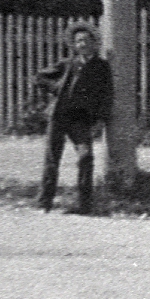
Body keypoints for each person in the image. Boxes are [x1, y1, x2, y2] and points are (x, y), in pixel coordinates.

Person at [36, 21, 113, 214]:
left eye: (87, 40)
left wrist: (100, 120)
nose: (83, 44)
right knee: (52, 159)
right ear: (74, 45)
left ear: (95, 43)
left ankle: (84, 206)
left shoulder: (102, 67)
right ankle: (45, 202)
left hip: (81, 120)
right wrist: (56, 88)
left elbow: (107, 95)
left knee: (86, 157)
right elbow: (39, 77)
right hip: (59, 117)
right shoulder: (67, 64)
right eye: (78, 41)